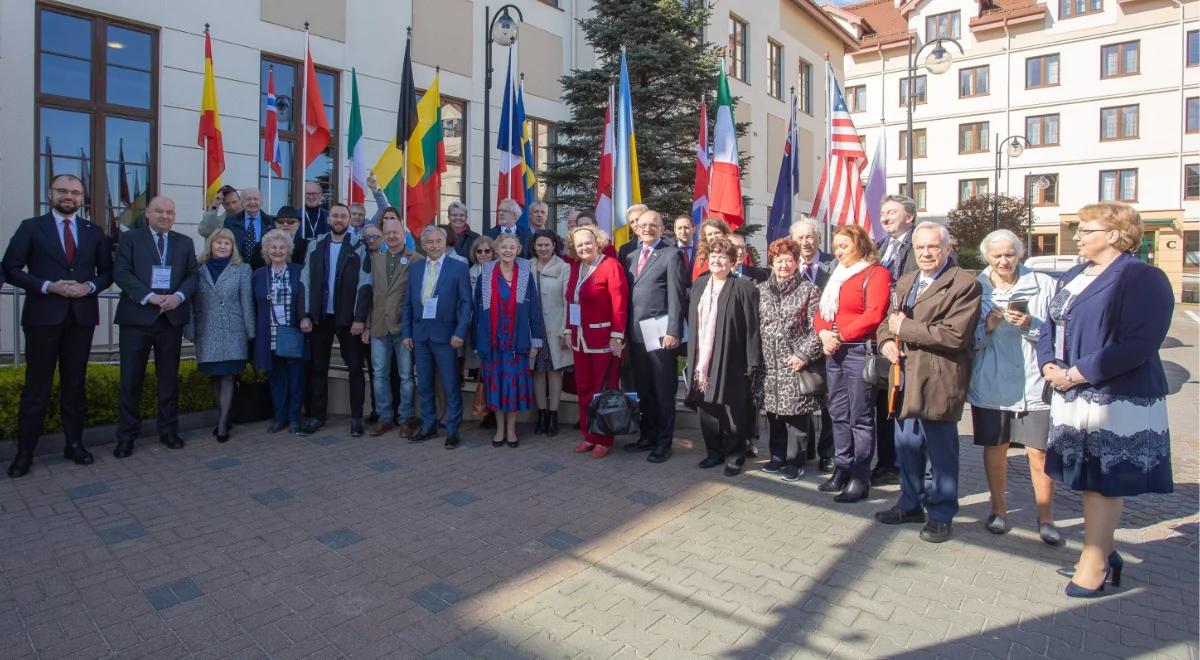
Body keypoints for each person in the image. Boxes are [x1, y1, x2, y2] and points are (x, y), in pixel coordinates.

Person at [1038, 203, 1174, 597]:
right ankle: (1105, 553)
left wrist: (1075, 373)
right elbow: (1051, 324)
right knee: (1087, 479)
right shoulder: (1076, 273)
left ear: (1114, 235)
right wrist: (1049, 365)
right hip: (1072, 392)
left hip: (1114, 396)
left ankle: (1094, 564)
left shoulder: (1141, 277)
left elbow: (1138, 343)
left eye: (1085, 229)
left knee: (1103, 482)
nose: (1077, 236)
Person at [874, 222, 981, 543]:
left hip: (939, 377)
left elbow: (955, 335)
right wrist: (885, 342)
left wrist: (903, 330)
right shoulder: (906, 281)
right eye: (920, 248)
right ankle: (909, 504)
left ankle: (941, 512)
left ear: (947, 249)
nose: (925, 253)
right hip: (905, 378)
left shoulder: (964, 283)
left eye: (933, 247)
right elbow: (886, 323)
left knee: (941, 452)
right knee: (906, 446)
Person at [3, 174, 113, 478]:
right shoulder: (31, 227)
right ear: (50, 193)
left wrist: (89, 287)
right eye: (63, 191)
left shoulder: (93, 231)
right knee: (36, 386)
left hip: (81, 317)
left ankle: (74, 444)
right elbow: (10, 268)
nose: (69, 196)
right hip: (43, 317)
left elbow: (106, 273)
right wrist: (49, 285)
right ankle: (25, 452)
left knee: (74, 384)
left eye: (75, 192)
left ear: (82, 198)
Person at [966, 229, 1062, 543]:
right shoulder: (976, 287)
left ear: (1019, 253)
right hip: (992, 382)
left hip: (1033, 383)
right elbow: (967, 339)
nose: (1004, 261)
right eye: (997, 256)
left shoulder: (1043, 284)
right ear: (987, 258)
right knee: (996, 449)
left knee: (1040, 452)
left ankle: (1046, 517)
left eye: (1010, 254)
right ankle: (998, 510)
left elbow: (1058, 332)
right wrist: (987, 327)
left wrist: (1030, 325)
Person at [112, 196, 198, 458]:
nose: (165, 216)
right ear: (147, 213)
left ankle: (169, 431)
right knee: (130, 380)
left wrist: (178, 297)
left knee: (169, 380)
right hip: (137, 319)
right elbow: (122, 273)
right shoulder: (130, 239)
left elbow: (193, 275)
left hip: (170, 320)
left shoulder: (185, 242)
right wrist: (150, 297)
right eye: (159, 211)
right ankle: (127, 436)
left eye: (170, 212)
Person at [812, 224, 891, 503]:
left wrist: (841, 335)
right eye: (836, 247)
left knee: (860, 416)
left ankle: (860, 475)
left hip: (858, 351)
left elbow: (874, 314)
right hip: (833, 351)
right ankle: (841, 467)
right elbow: (822, 312)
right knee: (838, 412)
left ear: (859, 244)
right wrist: (823, 334)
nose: (839, 252)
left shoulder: (875, 273)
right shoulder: (838, 276)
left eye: (844, 246)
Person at [686, 236, 761, 477]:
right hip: (702, 360)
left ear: (733, 262)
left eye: (723, 256)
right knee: (707, 407)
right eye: (713, 255)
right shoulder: (699, 284)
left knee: (733, 410)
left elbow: (752, 327)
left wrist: (752, 362)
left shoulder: (744, 287)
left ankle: (735, 456)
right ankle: (713, 452)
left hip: (732, 358)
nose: (717, 260)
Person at [299, 203, 369, 437]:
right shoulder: (315, 245)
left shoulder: (358, 246)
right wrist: (306, 314)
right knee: (318, 368)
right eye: (335, 216)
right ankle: (317, 416)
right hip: (320, 317)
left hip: (348, 319)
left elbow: (365, 283)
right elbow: (305, 281)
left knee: (355, 369)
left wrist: (360, 317)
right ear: (328, 219)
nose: (339, 219)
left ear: (349, 220)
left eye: (343, 216)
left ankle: (357, 417)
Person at [622, 211, 686, 463]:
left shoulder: (672, 254)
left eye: (653, 225)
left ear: (662, 228)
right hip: (636, 333)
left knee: (662, 389)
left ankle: (663, 442)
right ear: (636, 229)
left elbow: (676, 296)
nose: (647, 229)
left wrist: (673, 330)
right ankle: (647, 436)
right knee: (644, 389)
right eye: (643, 225)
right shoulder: (630, 256)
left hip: (660, 332)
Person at [757, 239, 825, 481]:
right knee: (775, 413)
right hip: (769, 364)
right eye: (779, 260)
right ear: (771, 263)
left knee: (796, 415)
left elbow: (817, 328)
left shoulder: (809, 290)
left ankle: (796, 461)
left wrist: (803, 355)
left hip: (795, 363)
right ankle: (777, 457)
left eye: (789, 260)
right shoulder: (762, 290)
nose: (784, 264)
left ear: (797, 263)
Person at [403, 225, 473, 449]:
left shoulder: (457, 267)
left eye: (438, 241)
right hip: (420, 335)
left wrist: (460, 332)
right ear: (423, 245)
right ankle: (428, 425)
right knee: (424, 384)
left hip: (447, 336)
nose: (434, 246)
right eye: (429, 242)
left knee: (450, 385)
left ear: (445, 243)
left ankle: (452, 429)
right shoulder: (415, 268)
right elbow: (407, 305)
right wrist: (407, 333)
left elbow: (465, 303)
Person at [564, 225, 628, 458]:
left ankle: (604, 438)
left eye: (588, 242)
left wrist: (617, 337)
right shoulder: (575, 267)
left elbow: (619, 305)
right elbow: (571, 301)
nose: (584, 247)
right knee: (583, 389)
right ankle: (589, 435)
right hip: (580, 340)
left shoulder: (611, 265)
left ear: (597, 241)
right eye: (579, 244)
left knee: (603, 391)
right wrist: (568, 330)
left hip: (604, 340)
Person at [474, 234, 544, 447]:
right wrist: (478, 342)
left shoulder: (525, 275)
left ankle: (512, 430)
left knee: (512, 388)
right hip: (493, 342)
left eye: (512, 247)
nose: (507, 250)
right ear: (496, 249)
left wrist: (535, 341)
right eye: (503, 246)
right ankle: (499, 429)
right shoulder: (485, 275)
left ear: (518, 249)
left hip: (516, 342)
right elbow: (476, 312)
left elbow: (534, 311)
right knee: (495, 386)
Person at [190, 228, 255, 443]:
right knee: (214, 376)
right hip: (207, 329)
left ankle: (222, 424)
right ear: (211, 244)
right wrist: (189, 330)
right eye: (218, 242)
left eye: (227, 243)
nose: (222, 246)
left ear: (232, 246)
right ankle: (222, 417)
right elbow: (192, 302)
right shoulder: (198, 270)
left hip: (233, 330)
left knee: (228, 376)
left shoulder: (243, 269)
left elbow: (247, 302)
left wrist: (250, 331)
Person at [361, 213, 418, 438]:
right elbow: (369, 294)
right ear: (383, 237)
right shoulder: (376, 260)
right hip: (378, 327)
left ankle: (405, 418)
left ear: (403, 234)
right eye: (388, 234)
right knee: (379, 375)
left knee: (405, 376)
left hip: (403, 328)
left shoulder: (416, 260)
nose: (392, 236)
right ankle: (384, 417)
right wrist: (366, 325)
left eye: (396, 232)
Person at [790, 216, 836, 472]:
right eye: (800, 237)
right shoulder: (787, 265)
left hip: (828, 342)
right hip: (799, 347)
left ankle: (827, 453)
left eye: (810, 236)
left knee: (830, 402)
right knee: (801, 397)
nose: (805, 242)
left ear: (819, 238)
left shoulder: (835, 264)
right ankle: (803, 449)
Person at [252, 229, 308, 434]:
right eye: (273, 247)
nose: (277, 251)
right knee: (276, 380)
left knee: (296, 378)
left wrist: (305, 318)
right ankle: (279, 417)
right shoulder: (259, 275)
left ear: (289, 250)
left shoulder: (298, 271)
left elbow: (305, 298)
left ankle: (294, 418)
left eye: (282, 247)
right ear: (267, 250)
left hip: (293, 334)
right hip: (270, 336)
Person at [530, 230, 572, 436]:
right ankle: (542, 415)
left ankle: (553, 415)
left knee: (555, 371)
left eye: (547, 245)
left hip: (555, 327)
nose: (543, 248)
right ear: (534, 246)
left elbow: (567, 300)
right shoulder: (526, 266)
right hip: (533, 328)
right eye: (539, 245)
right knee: (537, 370)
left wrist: (566, 329)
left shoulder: (564, 267)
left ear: (554, 245)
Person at [467, 236, 497, 427]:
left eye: (487, 251)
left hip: (496, 327)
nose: (483, 254)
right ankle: (487, 411)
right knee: (483, 373)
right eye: (480, 251)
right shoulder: (470, 272)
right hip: (476, 326)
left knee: (495, 372)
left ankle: (495, 411)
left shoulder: (499, 270)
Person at [221, 187, 273, 270]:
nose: (252, 202)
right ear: (241, 202)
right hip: (237, 269)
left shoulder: (271, 222)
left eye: (255, 199)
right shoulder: (230, 222)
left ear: (262, 202)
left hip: (263, 269)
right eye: (248, 199)